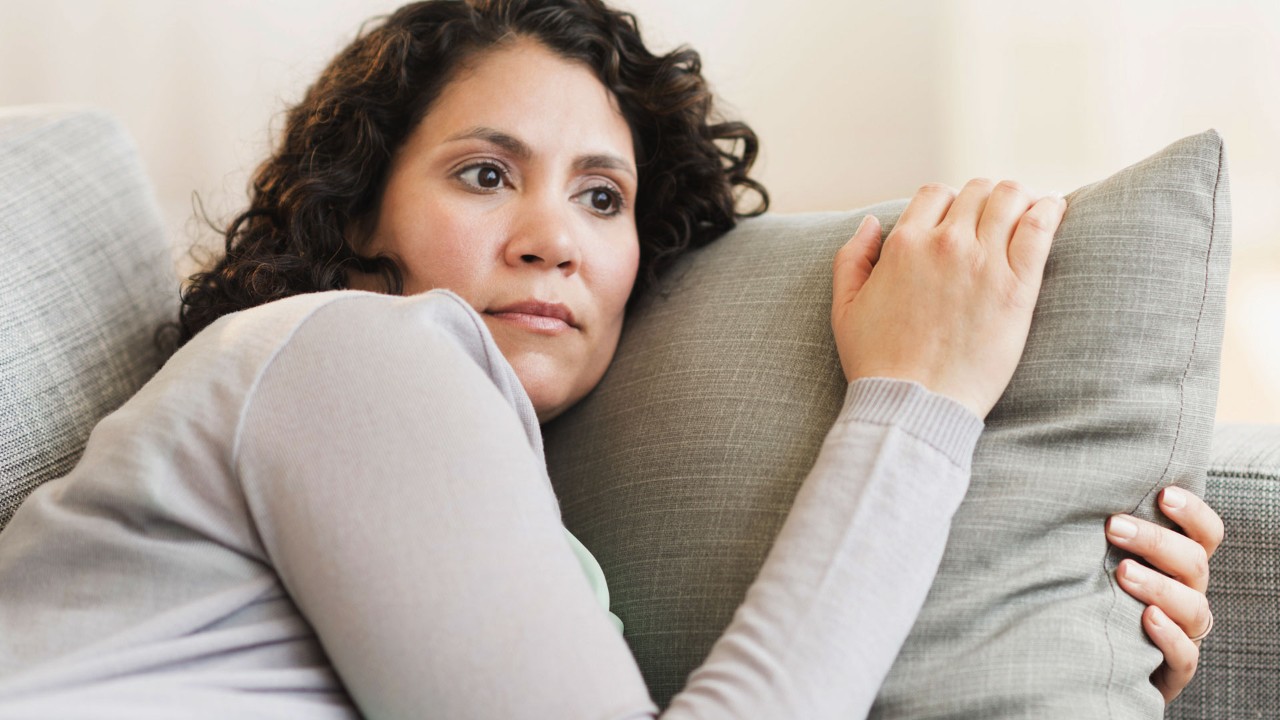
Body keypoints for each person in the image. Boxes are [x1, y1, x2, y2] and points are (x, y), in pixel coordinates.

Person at [0, 0, 1222, 717]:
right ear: (360, 213)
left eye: (601, 197)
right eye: (485, 175)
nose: (551, 242)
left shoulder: (503, 507)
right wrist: (917, 400)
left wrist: (1063, 623)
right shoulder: (353, 351)